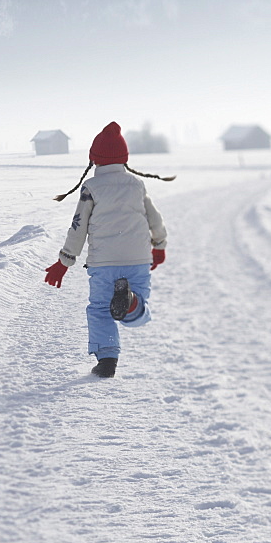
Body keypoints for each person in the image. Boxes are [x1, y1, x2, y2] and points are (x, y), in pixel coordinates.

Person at [43, 121, 173, 378]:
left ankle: (107, 361)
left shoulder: (91, 187)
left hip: (104, 263)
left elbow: (78, 227)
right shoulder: (136, 185)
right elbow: (153, 217)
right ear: (124, 158)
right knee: (139, 306)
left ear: (94, 159)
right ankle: (132, 303)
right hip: (138, 259)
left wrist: (64, 262)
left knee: (101, 309)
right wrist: (159, 246)